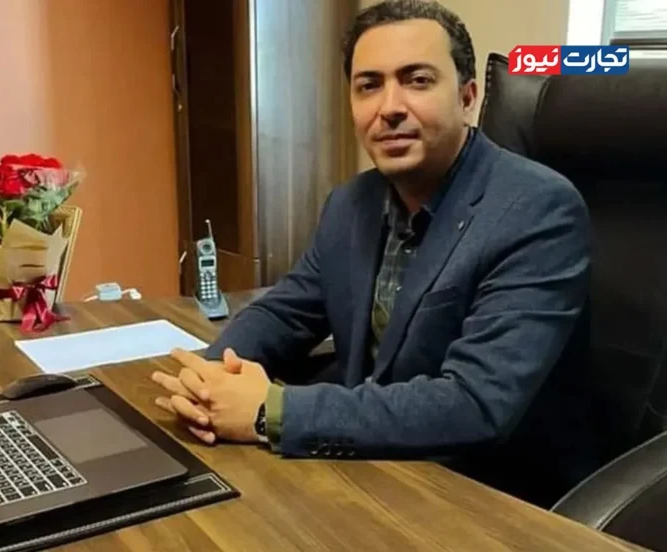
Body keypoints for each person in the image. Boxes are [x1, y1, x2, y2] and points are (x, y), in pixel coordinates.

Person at [151, 0, 599, 507]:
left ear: (468, 97)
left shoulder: (538, 209)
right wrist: (214, 378)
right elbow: (286, 311)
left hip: (491, 496)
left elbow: (474, 405)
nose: (389, 107)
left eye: (417, 80)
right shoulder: (351, 203)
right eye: (369, 85)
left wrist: (269, 410)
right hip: (372, 469)